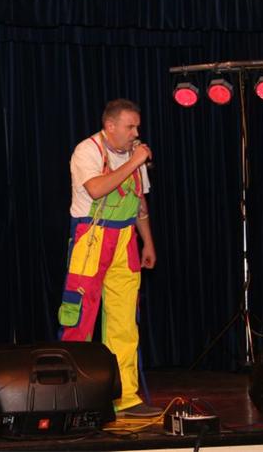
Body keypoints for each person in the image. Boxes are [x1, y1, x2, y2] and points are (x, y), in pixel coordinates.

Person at [57, 98, 160, 417]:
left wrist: (148, 242)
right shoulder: (87, 150)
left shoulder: (134, 154)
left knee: (124, 323)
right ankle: (74, 396)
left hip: (125, 240)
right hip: (92, 237)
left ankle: (125, 396)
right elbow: (97, 188)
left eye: (137, 127)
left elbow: (139, 202)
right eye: (130, 127)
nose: (136, 133)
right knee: (79, 319)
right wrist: (135, 161)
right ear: (110, 126)